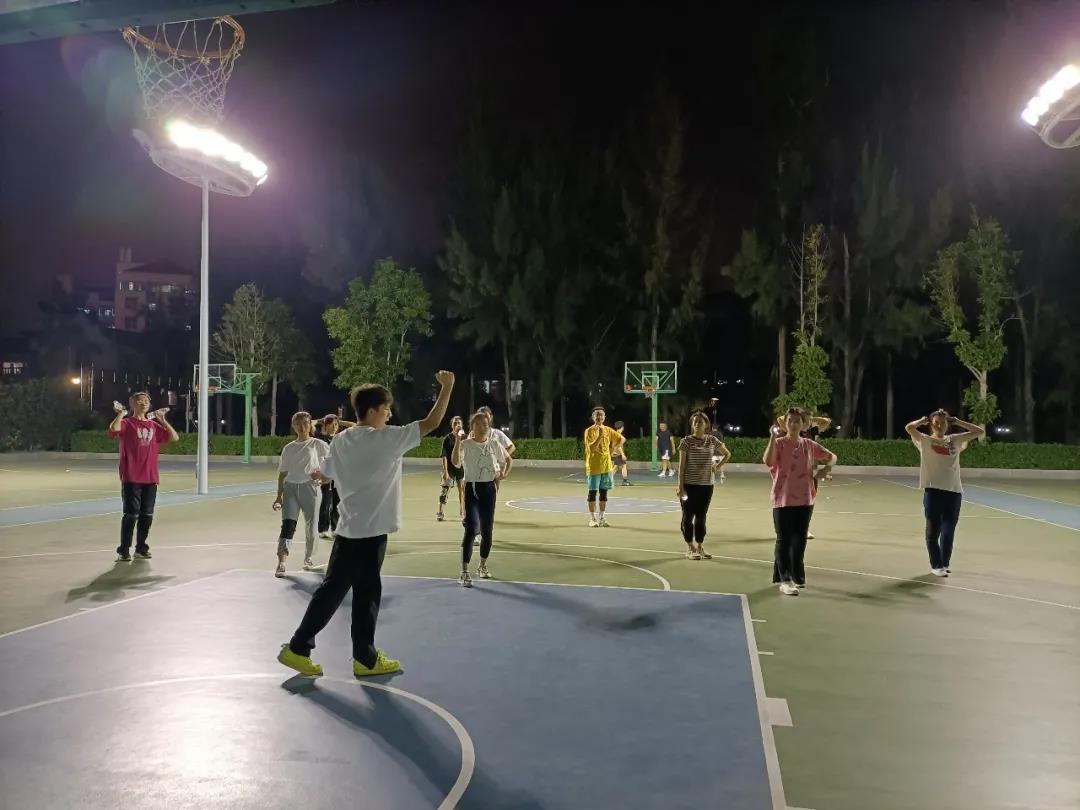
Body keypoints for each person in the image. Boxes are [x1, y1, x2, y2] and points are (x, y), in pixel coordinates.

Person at [277, 370, 455, 679]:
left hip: (348, 530)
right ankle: (348, 655)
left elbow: (327, 474)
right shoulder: (387, 439)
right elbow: (432, 422)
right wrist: (448, 387)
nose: (389, 414)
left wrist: (321, 475)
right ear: (372, 410)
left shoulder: (341, 440)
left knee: (340, 591)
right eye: (386, 408)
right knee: (364, 594)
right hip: (371, 533)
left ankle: (324, 650)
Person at [763, 408, 836, 596]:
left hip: (805, 498)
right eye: (790, 420)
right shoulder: (779, 443)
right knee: (784, 539)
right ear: (785, 423)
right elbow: (768, 461)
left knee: (800, 539)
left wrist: (827, 469)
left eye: (797, 421)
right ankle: (785, 579)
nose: (794, 424)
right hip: (783, 498)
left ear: (803, 424)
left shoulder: (809, 445)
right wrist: (772, 437)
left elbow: (832, 457)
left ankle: (796, 575)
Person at [905, 409, 984, 576]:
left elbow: (979, 431)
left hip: (954, 492)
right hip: (933, 490)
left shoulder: (954, 440)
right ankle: (936, 565)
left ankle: (944, 563)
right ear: (931, 425)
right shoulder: (925, 440)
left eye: (943, 422)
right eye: (936, 423)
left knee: (948, 531)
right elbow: (909, 428)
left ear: (948, 424)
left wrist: (959, 421)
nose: (940, 426)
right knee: (933, 532)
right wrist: (921, 421)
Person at [107, 392, 179, 562]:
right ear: (133, 404)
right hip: (131, 476)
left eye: (147, 401)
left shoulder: (153, 425)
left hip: (150, 477)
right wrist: (121, 414)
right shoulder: (127, 423)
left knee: (147, 515)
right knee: (131, 514)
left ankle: (141, 548)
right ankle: (124, 550)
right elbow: (114, 429)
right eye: (140, 401)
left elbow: (174, 437)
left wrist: (162, 420)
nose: (144, 403)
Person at [452, 411, 512, 587]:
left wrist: (503, 474)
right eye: (478, 424)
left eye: (485, 424)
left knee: (487, 531)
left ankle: (482, 566)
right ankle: (464, 571)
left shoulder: (494, 443)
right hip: (472, 489)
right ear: (472, 426)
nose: (482, 427)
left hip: (489, 489)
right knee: (471, 530)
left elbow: (508, 460)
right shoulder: (466, 444)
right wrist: (457, 440)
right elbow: (455, 462)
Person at [273, 412, 330, 576]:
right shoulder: (289, 448)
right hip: (290, 488)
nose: (302, 427)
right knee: (288, 525)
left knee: (311, 526)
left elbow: (332, 466)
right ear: (293, 426)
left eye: (305, 423)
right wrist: (278, 496)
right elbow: (282, 474)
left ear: (310, 425)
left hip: (310, 489)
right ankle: (281, 562)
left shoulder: (318, 444)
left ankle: (308, 558)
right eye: (297, 423)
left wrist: (323, 477)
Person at [676, 411, 730, 560]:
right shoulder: (686, 441)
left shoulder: (712, 440)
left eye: (700, 421)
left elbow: (727, 454)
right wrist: (680, 486)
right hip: (689, 485)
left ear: (706, 424)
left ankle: (699, 545)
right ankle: (690, 547)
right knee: (687, 517)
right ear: (692, 425)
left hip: (706, 485)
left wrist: (717, 467)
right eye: (695, 421)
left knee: (701, 517)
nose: (697, 424)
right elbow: (681, 467)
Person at [773, 413, 831, 539]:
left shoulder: (811, 432)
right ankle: (785, 528)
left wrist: (811, 419)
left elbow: (827, 421)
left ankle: (804, 529)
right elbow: (780, 419)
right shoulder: (790, 431)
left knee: (809, 502)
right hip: (790, 475)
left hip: (809, 473)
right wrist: (800, 417)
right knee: (787, 501)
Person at [313, 413, 354, 539]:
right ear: (326, 425)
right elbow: (311, 424)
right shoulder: (320, 438)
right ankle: (322, 529)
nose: (335, 426)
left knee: (337, 503)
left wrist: (340, 422)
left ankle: (335, 528)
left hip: (338, 475)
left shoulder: (340, 438)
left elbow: (354, 426)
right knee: (325, 502)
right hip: (326, 475)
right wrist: (321, 420)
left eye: (336, 424)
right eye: (332, 424)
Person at [583, 407, 624, 527]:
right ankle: (592, 518)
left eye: (601, 415)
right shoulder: (589, 431)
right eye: (597, 415)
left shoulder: (608, 430)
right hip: (594, 466)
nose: (599, 417)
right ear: (593, 417)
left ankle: (602, 517)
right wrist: (600, 435)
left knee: (603, 493)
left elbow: (622, 439)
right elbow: (591, 448)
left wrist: (613, 448)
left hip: (606, 466)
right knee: (592, 493)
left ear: (604, 417)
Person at [438, 416, 466, 521]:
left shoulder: (465, 438)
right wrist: (445, 471)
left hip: (461, 468)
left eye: (459, 423)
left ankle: (462, 510)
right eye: (455, 423)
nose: (457, 424)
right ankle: (440, 511)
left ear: (462, 425)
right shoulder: (447, 439)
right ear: (452, 425)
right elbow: (444, 456)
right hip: (449, 468)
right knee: (445, 489)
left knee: (462, 490)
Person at [611, 420, 632, 486]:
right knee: (622, 466)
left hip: (616, 453)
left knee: (616, 467)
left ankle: (607, 480)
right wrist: (623, 454)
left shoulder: (616, 434)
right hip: (617, 454)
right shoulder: (618, 435)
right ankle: (624, 481)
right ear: (622, 427)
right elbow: (618, 446)